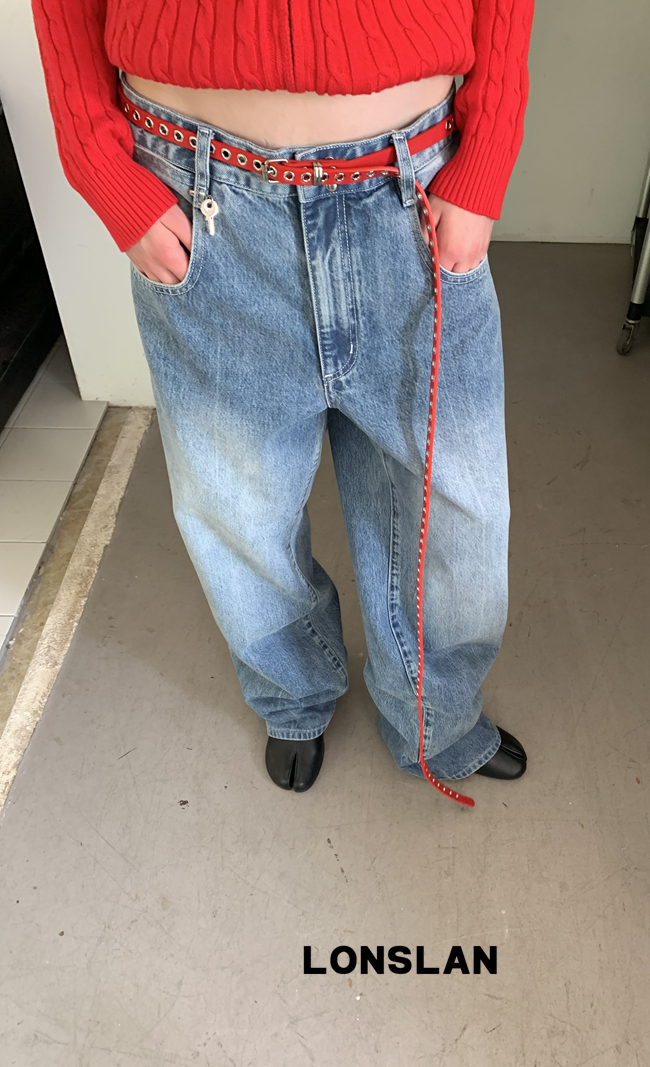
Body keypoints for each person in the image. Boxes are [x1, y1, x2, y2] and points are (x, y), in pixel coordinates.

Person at [31, 0, 536, 803]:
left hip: (414, 193)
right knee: (236, 502)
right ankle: (293, 691)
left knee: (453, 507)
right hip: (202, 202)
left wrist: (488, 157)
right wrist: (102, 169)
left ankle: (435, 716)